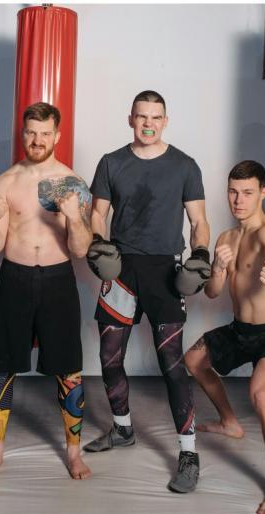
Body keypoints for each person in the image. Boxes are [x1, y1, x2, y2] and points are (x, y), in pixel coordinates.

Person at [84, 90, 210, 493]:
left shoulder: (185, 165)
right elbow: (98, 213)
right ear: (130, 119)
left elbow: (199, 220)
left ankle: (189, 453)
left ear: (165, 120)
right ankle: (122, 428)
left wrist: (202, 253)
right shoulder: (111, 162)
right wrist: (99, 245)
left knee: (172, 363)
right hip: (121, 268)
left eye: (155, 117)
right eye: (141, 116)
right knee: (108, 357)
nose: (148, 123)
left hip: (164, 271)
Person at [0, 102, 93, 479]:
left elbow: (79, 250)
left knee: (69, 370)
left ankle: (73, 453)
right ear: (22, 133)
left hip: (58, 279)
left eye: (45, 133)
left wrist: (74, 216)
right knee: (3, 365)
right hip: (15, 278)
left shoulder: (71, 182)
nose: (37, 140)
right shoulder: (4, 182)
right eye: (31, 132)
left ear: (57, 136)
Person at [183, 160, 265, 514]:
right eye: (233, 191)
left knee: (261, 395)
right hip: (240, 328)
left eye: (247, 192)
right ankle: (230, 422)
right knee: (193, 361)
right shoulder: (227, 238)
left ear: (262, 192)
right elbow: (214, 293)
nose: (238, 199)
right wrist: (217, 267)